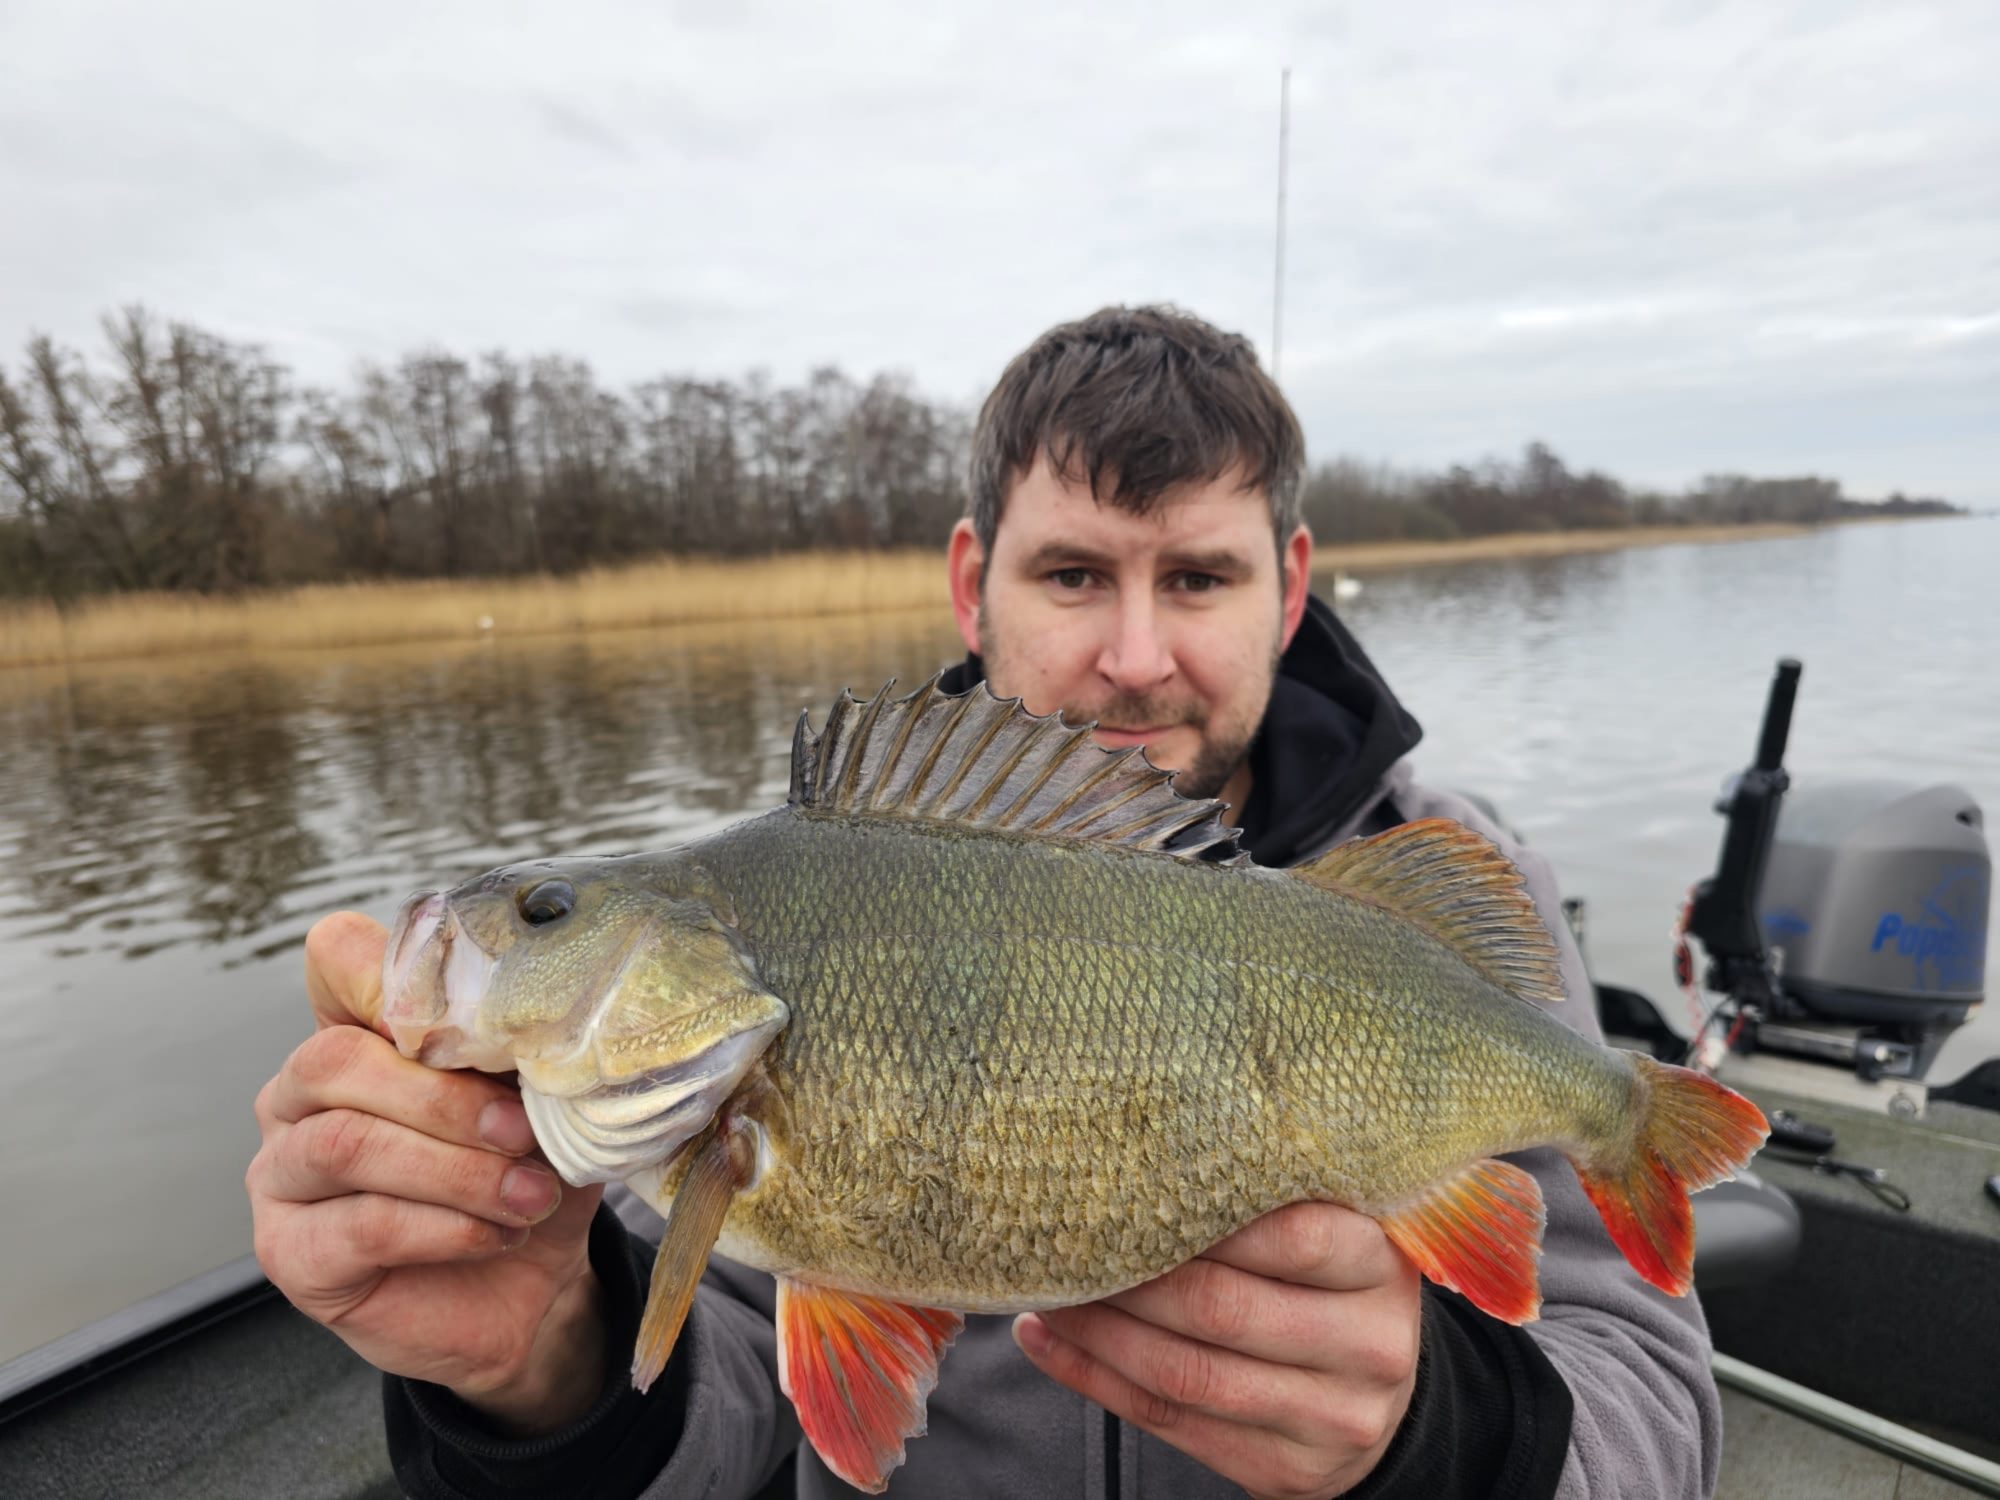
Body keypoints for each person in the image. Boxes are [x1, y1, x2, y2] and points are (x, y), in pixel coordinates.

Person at [248, 305, 1724, 1499]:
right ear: (975, 584)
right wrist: (538, 1372)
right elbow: (737, 1418)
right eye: (1074, 573)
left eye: (1199, 579)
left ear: (1289, 589)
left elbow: (1656, 1415)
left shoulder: (1452, 880)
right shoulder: (815, 905)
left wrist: (1438, 1438)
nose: (1137, 656)